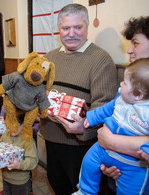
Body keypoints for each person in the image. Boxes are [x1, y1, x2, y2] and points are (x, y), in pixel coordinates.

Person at [39, 4, 118, 194]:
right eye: (66, 28)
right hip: (50, 139)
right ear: (59, 29)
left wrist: (84, 128)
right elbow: (40, 92)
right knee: (57, 185)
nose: (71, 33)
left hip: (81, 147)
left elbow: (104, 105)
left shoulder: (101, 59)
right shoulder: (49, 57)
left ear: (87, 26)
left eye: (78, 27)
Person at [73, 58, 149, 195]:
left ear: (138, 94)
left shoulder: (147, 113)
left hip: (134, 165)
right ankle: (86, 191)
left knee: (131, 189)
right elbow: (107, 109)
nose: (121, 83)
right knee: (89, 160)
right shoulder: (121, 98)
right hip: (103, 150)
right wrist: (92, 117)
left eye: (125, 83)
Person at [98, 16, 149, 194]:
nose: (129, 51)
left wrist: (111, 142)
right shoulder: (132, 83)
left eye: (135, 43)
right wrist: (109, 161)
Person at [0, 110, 38, 195]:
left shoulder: (28, 140)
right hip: (6, 177)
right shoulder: (6, 134)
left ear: (23, 124)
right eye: (7, 126)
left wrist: (19, 165)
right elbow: (0, 142)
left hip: (20, 182)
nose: (9, 129)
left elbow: (33, 161)